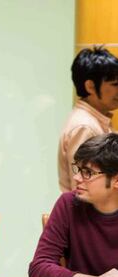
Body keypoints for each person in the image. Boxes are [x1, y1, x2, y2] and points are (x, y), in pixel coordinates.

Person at [30, 133, 118, 277]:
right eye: (78, 169)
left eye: (88, 172)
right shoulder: (68, 204)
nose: (77, 177)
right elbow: (39, 267)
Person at [58, 46, 118, 192]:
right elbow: (83, 189)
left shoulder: (94, 120)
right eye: (115, 84)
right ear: (90, 86)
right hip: (88, 214)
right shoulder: (85, 126)